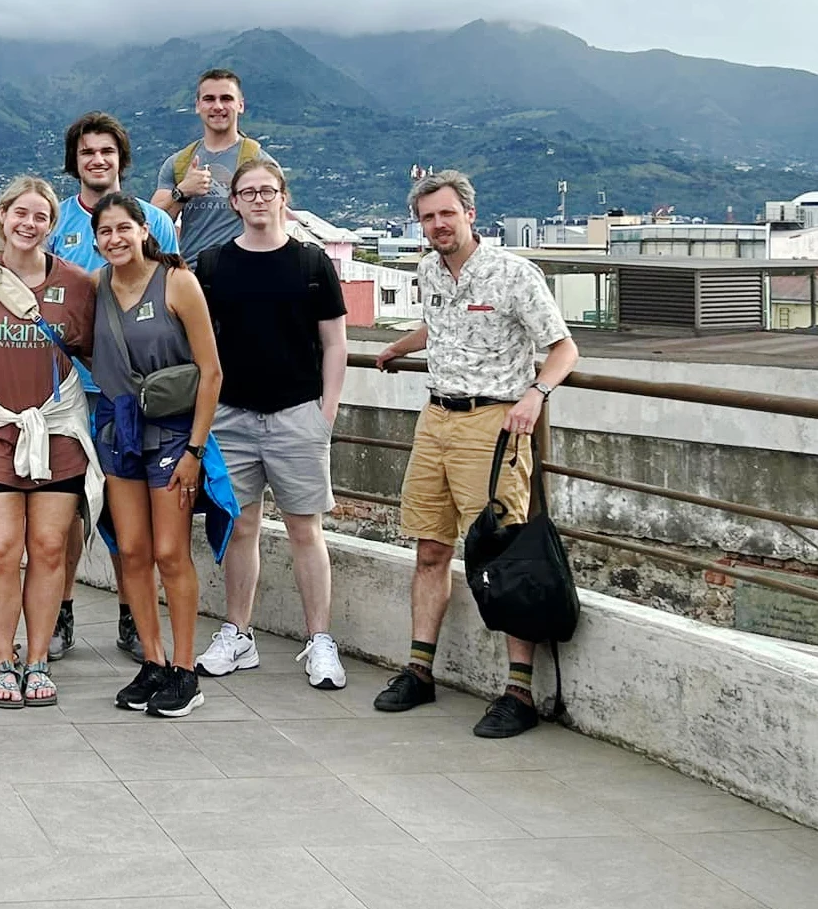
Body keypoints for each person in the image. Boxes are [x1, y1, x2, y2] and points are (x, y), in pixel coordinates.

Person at [372, 170, 579, 739]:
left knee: (506, 553)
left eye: (446, 214)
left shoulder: (514, 274)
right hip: (435, 418)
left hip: (494, 424)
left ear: (469, 214)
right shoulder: (428, 268)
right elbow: (438, 325)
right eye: (427, 217)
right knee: (430, 546)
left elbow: (563, 347)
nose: (438, 225)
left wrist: (536, 396)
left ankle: (518, 691)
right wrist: (398, 345)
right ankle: (419, 670)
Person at [192, 157, 351, 691]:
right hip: (231, 417)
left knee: (306, 529)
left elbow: (334, 343)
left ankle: (320, 640)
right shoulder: (212, 266)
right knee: (241, 528)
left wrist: (324, 412)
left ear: (283, 197)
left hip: (297, 414)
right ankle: (238, 632)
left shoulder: (312, 264)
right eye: (248, 192)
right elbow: (200, 346)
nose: (259, 199)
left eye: (268, 190)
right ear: (234, 201)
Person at [0, 175, 98, 709]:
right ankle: (1, 656)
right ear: (2, 216)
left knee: (49, 547)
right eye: (20, 213)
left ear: (51, 225)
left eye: (40, 216)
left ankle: (37, 657)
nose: (29, 223)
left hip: (58, 429)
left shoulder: (78, 285)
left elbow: (95, 351)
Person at [89, 191, 226, 718]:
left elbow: (211, 372)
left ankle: (186, 669)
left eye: (124, 228)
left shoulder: (178, 283)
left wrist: (195, 448)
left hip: (172, 433)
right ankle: (153, 660)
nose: (116, 239)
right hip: (121, 430)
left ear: (145, 230)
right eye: (105, 232)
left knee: (171, 552)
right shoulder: (96, 287)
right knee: (133, 551)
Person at [49, 111, 180, 662]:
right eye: (86, 153)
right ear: (73, 162)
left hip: (140, 397)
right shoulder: (56, 221)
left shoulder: (155, 221)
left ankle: (134, 616)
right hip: (71, 391)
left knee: (135, 521)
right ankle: (60, 613)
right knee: (69, 509)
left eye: (106, 152)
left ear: (122, 159)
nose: (97, 160)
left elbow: (175, 294)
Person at [153, 68, 274, 270]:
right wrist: (182, 192)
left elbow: (273, 225)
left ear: (240, 105)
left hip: (244, 272)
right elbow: (152, 224)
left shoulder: (261, 163)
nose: (218, 106)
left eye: (226, 98)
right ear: (198, 106)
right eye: (209, 99)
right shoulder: (178, 163)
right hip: (191, 275)